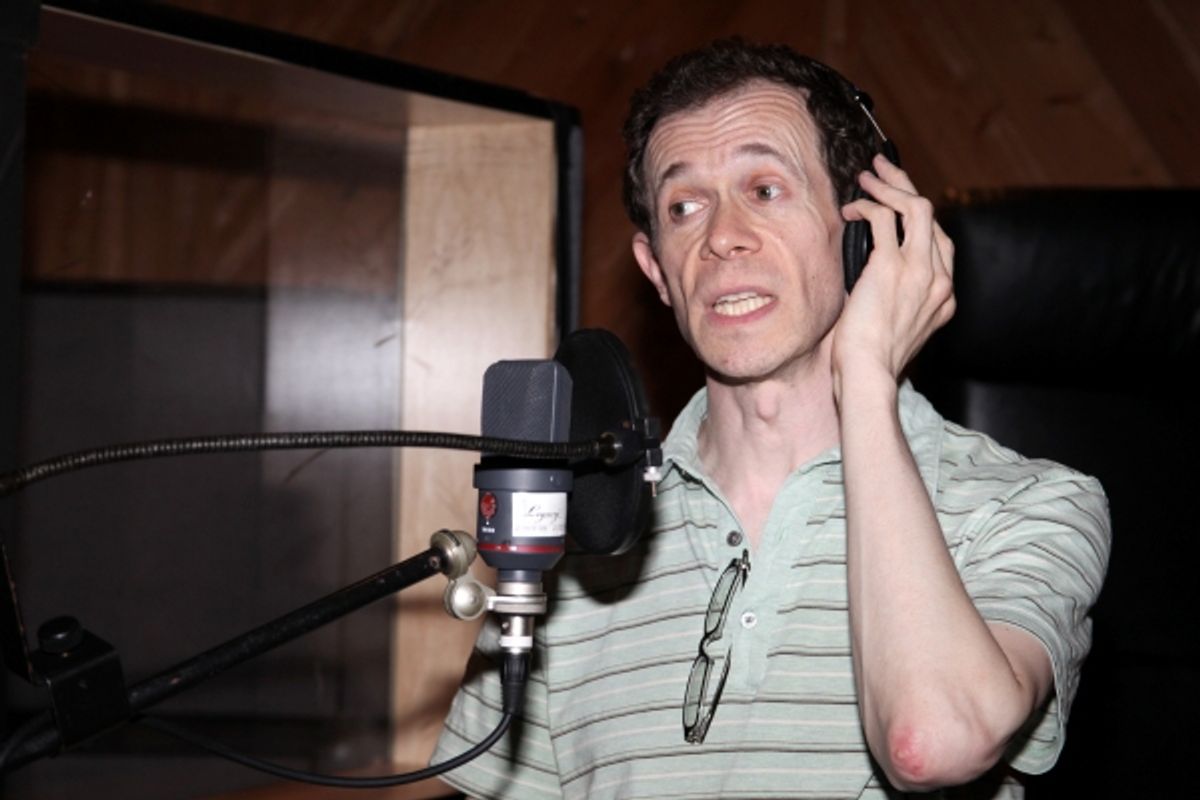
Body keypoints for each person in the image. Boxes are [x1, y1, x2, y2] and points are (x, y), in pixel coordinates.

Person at [432, 38, 1110, 799]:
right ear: (656, 269)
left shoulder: (1028, 507)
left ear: (866, 236)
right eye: (684, 206)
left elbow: (930, 744)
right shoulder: (580, 529)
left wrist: (866, 383)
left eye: (765, 189)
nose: (721, 236)